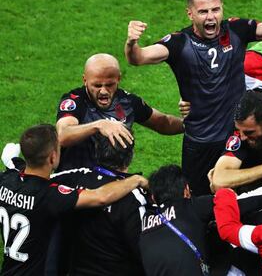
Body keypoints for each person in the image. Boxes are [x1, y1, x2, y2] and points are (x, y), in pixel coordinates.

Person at [125, 0, 262, 195]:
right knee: (201, 201)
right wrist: (132, 43)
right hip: (200, 143)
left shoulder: (237, 30)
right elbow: (139, 58)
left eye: (215, 10)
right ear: (190, 14)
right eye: (203, 12)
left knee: (246, 195)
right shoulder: (178, 43)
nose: (211, 17)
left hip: (238, 137)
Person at [0, 124, 147, 275]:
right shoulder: (50, 195)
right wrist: (136, 180)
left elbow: (17, 169)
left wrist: (12, 159)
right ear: (52, 157)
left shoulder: (6, 179)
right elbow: (100, 197)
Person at [139, 164, 262, 276]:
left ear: (153, 198)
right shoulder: (192, 206)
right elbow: (246, 202)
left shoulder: (144, 220)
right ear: (186, 190)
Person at [56, 53, 183, 171]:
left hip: (112, 183)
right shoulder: (75, 101)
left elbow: (163, 122)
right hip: (75, 183)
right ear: (85, 80)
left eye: (110, 85)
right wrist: (98, 125)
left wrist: (191, 124)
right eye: (97, 85)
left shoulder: (127, 102)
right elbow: (63, 135)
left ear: (119, 79)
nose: (104, 91)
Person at [50, 133, 148, 276]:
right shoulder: (135, 197)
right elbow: (144, 251)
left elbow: (37, 179)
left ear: (96, 150)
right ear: (130, 156)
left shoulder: (73, 177)